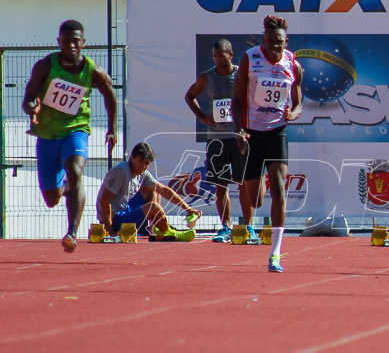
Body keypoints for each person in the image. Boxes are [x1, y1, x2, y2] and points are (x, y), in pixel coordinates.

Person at [22, 19, 118, 253]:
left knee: (75, 171)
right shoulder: (45, 66)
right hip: (47, 135)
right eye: (67, 41)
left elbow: (110, 96)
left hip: (76, 129)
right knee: (52, 199)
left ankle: (71, 232)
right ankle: (67, 189)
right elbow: (28, 98)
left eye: (76, 41)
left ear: (83, 43)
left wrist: (112, 129)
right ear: (59, 42)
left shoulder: (93, 71)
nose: (72, 46)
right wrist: (32, 107)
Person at [232, 15, 303, 273]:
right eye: (271, 41)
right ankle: (259, 175)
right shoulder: (250, 59)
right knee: (254, 201)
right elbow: (236, 99)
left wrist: (295, 111)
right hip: (252, 133)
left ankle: (275, 254)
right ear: (264, 39)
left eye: (280, 42)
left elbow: (297, 98)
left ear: (286, 41)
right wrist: (239, 130)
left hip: (277, 131)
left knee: (280, 189)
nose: (276, 46)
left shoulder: (291, 62)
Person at [184, 39, 246, 243]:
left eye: (222, 55)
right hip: (216, 139)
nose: (219, 60)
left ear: (230, 54)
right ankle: (226, 227)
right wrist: (202, 117)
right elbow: (189, 96)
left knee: (244, 183)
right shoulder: (207, 77)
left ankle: (247, 227)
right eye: (215, 56)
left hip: (238, 136)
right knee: (221, 186)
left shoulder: (241, 75)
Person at [96, 142, 201, 241]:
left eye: (146, 163)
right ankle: (169, 232)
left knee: (153, 190)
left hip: (124, 210)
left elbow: (164, 190)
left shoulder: (143, 173)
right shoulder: (121, 171)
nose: (143, 166)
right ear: (131, 157)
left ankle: (156, 228)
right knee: (154, 207)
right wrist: (110, 231)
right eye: (140, 161)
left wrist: (188, 209)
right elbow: (104, 200)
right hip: (115, 220)